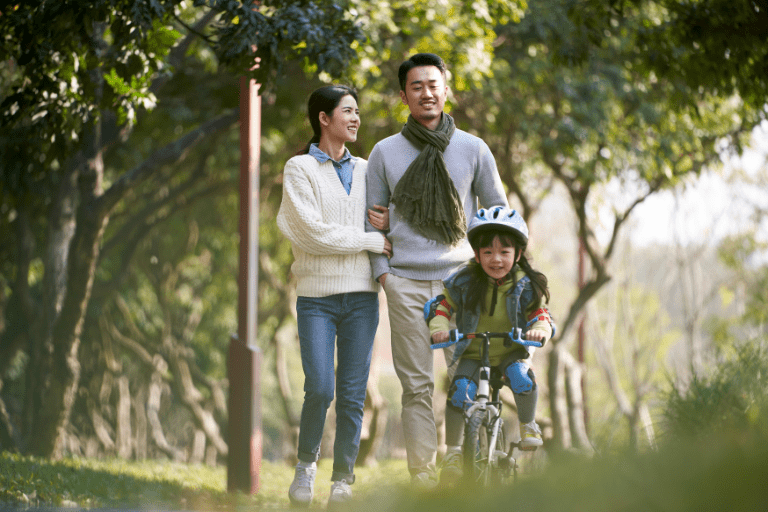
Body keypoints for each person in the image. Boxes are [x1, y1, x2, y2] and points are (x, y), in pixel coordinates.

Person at [365, 52, 508, 488]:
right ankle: (423, 475)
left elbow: (497, 213)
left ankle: (461, 459)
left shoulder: (473, 148)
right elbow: (369, 223)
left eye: (433, 84)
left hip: (460, 281)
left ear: (447, 90)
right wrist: (383, 275)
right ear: (403, 96)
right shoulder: (385, 152)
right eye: (416, 86)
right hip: (404, 281)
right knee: (416, 386)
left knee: (463, 376)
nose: (426, 93)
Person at [277, 84, 392, 507]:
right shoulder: (299, 169)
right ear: (324, 118)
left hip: (362, 297)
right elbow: (309, 233)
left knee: (352, 392)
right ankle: (305, 469)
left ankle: (342, 481)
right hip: (316, 298)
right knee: (320, 387)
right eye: (348, 111)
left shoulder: (367, 169)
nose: (356, 118)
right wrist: (368, 239)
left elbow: (386, 222)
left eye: (357, 111)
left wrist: (383, 226)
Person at [424, 205, 555, 484]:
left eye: (504, 253)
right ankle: (454, 451)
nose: (496, 259)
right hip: (473, 352)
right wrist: (439, 329)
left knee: (522, 376)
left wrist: (539, 331)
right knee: (459, 391)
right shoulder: (464, 280)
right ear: (477, 255)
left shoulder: (527, 285)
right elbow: (441, 307)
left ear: (517, 254)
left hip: (510, 353)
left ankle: (527, 425)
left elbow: (541, 316)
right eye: (488, 253)